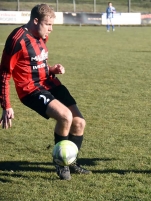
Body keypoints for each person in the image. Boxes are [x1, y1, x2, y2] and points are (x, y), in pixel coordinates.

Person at [0, 4, 91, 180]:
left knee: (79, 122)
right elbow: (4, 74)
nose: (51, 29)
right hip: (30, 89)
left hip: (49, 82)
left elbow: (35, 63)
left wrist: (51, 69)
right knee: (65, 116)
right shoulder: (17, 39)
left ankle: (71, 161)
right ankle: (61, 163)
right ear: (35, 21)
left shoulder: (42, 35)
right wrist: (6, 105)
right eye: (48, 24)